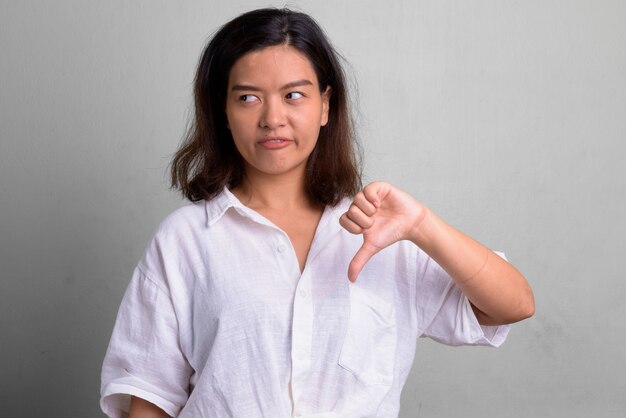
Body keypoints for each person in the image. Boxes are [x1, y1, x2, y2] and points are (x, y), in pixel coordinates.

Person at [100, 8, 534, 418]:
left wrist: (422, 226)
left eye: (294, 95)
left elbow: (514, 304)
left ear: (325, 105)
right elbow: (149, 397)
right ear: (224, 112)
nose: (273, 118)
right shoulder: (185, 239)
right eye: (249, 97)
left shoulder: (382, 232)